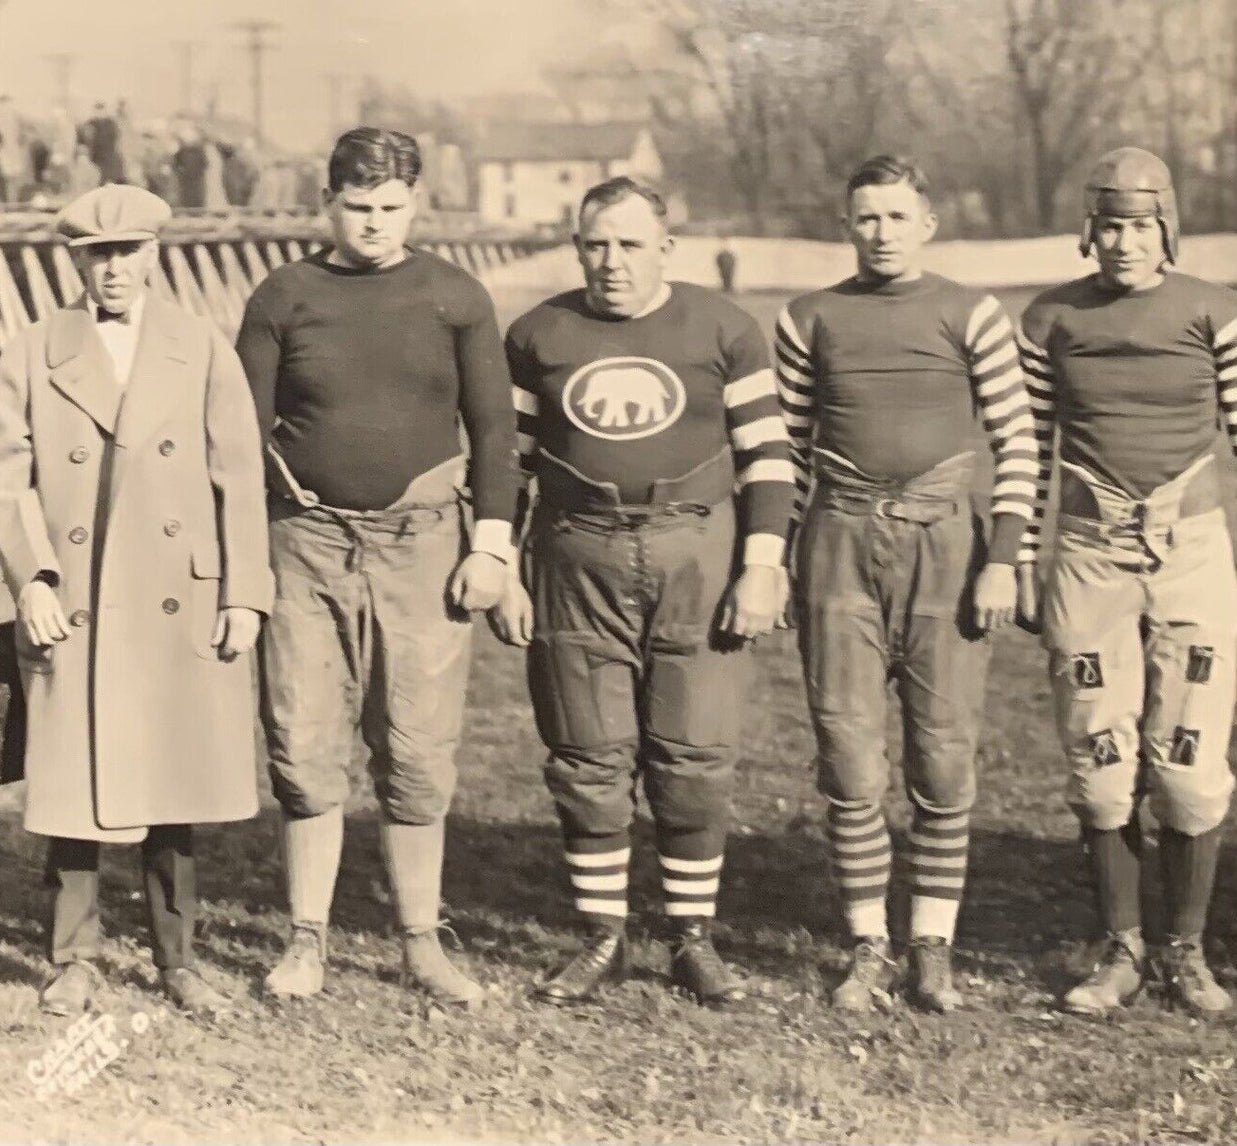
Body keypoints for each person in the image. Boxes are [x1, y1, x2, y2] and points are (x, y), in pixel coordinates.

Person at [492, 177, 793, 1009]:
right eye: (596, 244)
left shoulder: (724, 327)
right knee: (586, 756)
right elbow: (506, 466)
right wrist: (502, 568)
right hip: (574, 549)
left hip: (694, 545)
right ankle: (602, 936)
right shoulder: (537, 334)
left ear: (667, 246)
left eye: (630, 244)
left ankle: (691, 937)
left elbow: (768, 458)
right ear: (576, 245)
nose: (611, 262)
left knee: (693, 755)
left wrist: (762, 564)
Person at [235, 127, 517, 1008]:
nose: (374, 225)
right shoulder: (283, 296)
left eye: (392, 208)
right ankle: (305, 941)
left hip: (423, 545)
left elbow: (497, 430)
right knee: (304, 741)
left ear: (416, 203)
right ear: (328, 203)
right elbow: (241, 441)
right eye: (358, 207)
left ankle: (421, 944)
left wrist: (492, 544)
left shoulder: (455, 294)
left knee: (418, 746)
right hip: (306, 544)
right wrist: (245, 570)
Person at [0, 184, 272, 1017]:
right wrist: (32, 575)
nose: (114, 270)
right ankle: (73, 955)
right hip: (77, 602)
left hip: (178, 594)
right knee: (75, 783)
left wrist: (244, 591)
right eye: (98, 255)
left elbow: (238, 477)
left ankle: (176, 957)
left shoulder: (201, 346)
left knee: (173, 784)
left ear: (154, 256)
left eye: (129, 252)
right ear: (75, 261)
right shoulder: (32, 350)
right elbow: (4, 477)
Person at [774, 155, 1037, 1013]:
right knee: (848, 756)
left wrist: (1002, 556)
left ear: (927, 223)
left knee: (942, 753)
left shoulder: (972, 312)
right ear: (845, 226)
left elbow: (1018, 443)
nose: (881, 233)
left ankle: (931, 945)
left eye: (896, 217)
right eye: (865, 218)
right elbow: (779, 454)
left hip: (945, 547)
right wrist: (773, 556)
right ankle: (866, 948)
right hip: (838, 543)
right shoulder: (808, 317)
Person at [1016, 148, 1237, 1017]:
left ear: (1165, 230)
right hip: (1088, 550)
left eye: (1139, 225)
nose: (1122, 242)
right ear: (1087, 230)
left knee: (1188, 764)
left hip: (1189, 549)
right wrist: (1021, 554)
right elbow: (1027, 451)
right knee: (1100, 760)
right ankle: (1121, 948)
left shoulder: (1211, 312)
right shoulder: (1048, 319)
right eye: (1108, 224)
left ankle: (1184, 949)